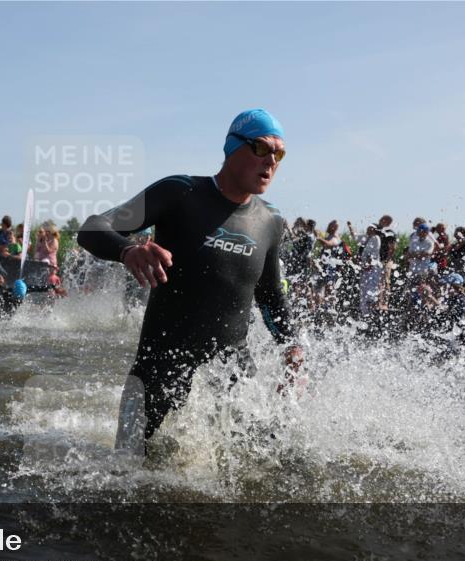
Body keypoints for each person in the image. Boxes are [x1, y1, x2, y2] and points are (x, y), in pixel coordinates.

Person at [77, 108, 302, 456]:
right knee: (125, 476)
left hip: (231, 375)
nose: (271, 161)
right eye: (261, 148)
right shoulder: (180, 193)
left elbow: (270, 296)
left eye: (280, 153)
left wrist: (292, 347)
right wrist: (129, 251)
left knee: (245, 475)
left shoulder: (270, 220)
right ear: (232, 147)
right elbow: (92, 229)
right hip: (158, 370)